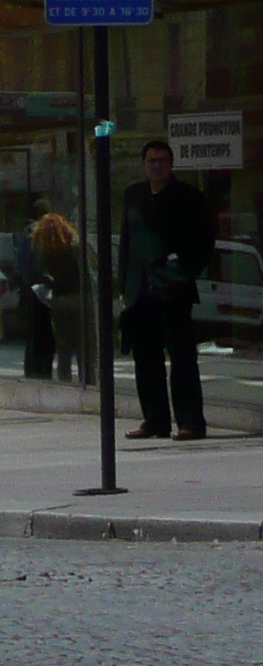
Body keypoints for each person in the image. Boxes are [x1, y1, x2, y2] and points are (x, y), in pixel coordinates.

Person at [120, 140, 214, 441]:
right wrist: (124, 284)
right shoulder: (133, 195)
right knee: (146, 359)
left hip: (173, 289)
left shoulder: (189, 197)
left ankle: (190, 422)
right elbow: (127, 242)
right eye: (151, 160)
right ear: (144, 164)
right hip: (140, 291)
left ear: (171, 164)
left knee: (182, 358)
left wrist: (181, 273)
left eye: (161, 160)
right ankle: (155, 420)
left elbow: (203, 244)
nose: (156, 165)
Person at [9, 205, 80, 382]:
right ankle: (85, 380)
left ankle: (41, 375)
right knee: (78, 344)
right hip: (72, 295)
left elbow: (27, 267)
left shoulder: (33, 238)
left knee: (50, 342)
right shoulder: (70, 244)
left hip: (41, 293)